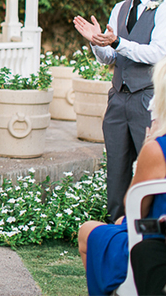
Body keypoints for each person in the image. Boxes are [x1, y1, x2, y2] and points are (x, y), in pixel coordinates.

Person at [74, 0, 166, 221]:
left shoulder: (163, 8)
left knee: (151, 168)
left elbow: (158, 53)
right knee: (115, 170)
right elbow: (110, 57)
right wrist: (96, 42)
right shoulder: (120, 8)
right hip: (117, 100)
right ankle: (116, 225)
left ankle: (149, 231)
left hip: (148, 100)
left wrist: (117, 42)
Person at [78, 56, 166, 296]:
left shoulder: (157, 149)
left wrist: (148, 146)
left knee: (87, 231)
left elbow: (136, 206)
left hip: (153, 239)